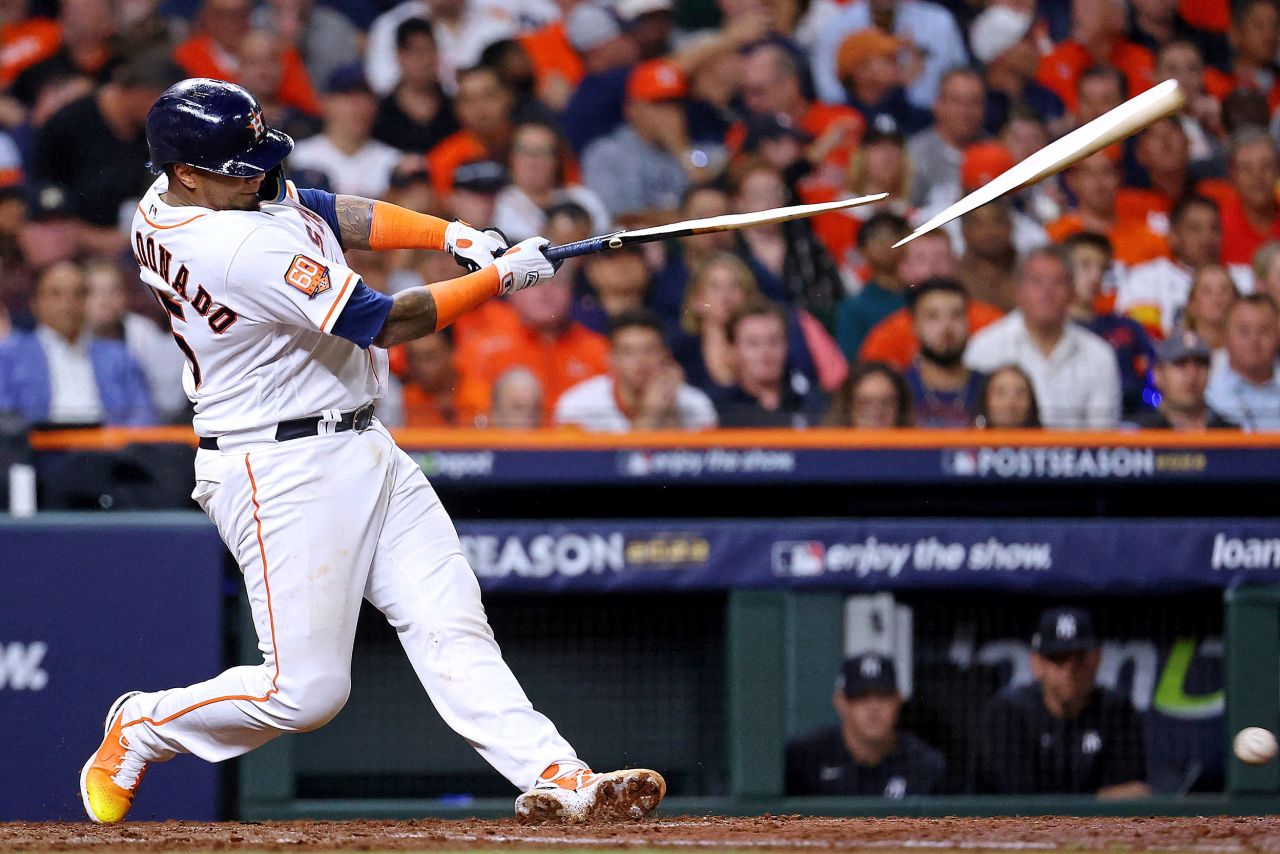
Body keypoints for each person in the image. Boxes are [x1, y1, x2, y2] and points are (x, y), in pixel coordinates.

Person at [78, 79, 664, 826]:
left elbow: (321, 208)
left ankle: (557, 774)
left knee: (450, 619)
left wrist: (447, 234)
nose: (258, 174)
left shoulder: (192, 194)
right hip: (279, 467)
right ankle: (144, 725)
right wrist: (499, 279)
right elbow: (380, 321)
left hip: (359, 439)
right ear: (188, 172)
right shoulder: (231, 247)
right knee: (306, 692)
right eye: (239, 167)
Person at [975, 606, 1150, 798]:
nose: (1069, 670)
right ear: (1037, 663)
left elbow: (1132, 794)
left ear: (1097, 658)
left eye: (1079, 658)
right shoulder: (1008, 712)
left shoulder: (1117, 711)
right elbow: (1018, 803)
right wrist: (1097, 799)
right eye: (1058, 658)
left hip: (1100, 829)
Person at [965, 247, 1122, 429]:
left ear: (1072, 292)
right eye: (1037, 282)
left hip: (1075, 457)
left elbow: (1102, 439)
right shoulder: (985, 347)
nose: (1047, 292)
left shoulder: (1099, 355)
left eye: (1057, 282)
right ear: (1018, 290)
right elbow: (975, 427)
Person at [0, 261, 155, 426]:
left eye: (77, 294)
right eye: (56, 294)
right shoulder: (10, 357)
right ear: (35, 303)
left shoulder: (119, 357)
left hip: (109, 446)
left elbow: (144, 416)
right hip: (39, 448)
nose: (68, 304)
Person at [786, 653, 945, 798]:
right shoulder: (805, 759)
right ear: (841, 702)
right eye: (861, 696)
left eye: (883, 696)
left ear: (898, 700)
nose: (873, 708)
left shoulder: (924, 764)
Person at [554, 310, 717, 432]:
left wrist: (669, 411)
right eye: (628, 352)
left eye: (650, 350)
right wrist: (651, 414)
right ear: (611, 359)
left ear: (666, 355)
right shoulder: (578, 405)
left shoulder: (696, 404)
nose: (641, 361)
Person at [581, 59, 690, 221]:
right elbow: (615, 220)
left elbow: (711, 210)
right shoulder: (606, 154)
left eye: (674, 103)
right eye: (658, 103)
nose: (670, 112)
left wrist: (682, 151)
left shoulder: (696, 153)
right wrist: (679, 219)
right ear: (632, 109)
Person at [84, 259, 188, 424]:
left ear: (125, 296)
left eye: (114, 291)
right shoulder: (74, 337)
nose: (105, 300)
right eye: (94, 292)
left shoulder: (143, 331)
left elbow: (169, 400)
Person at [1063, 232, 1155, 416]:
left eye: (1102, 268)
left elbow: (1154, 379)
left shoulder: (1126, 327)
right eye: (1085, 265)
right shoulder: (1051, 330)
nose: (1096, 276)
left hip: (1130, 423)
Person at [1117, 195, 1227, 336]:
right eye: (1195, 229)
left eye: (1214, 228)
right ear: (1173, 236)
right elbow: (1142, 339)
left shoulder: (1242, 280)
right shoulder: (1145, 279)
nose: (1207, 237)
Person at [288, 66, 402, 199]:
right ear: (325, 102)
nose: (357, 106)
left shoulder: (393, 161)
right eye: (348, 97)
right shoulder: (300, 156)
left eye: (365, 97)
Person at [712, 300, 823, 428]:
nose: (765, 352)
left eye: (773, 341)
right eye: (753, 343)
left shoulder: (812, 404)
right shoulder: (717, 411)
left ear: (786, 345)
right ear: (733, 350)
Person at [1045, 152, 1168, 268]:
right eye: (1089, 173)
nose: (1099, 183)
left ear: (1120, 177)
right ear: (1072, 180)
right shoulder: (1054, 237)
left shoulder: (1150, 241)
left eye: (1107, 172)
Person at [972, 4, 1064, 137]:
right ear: (1001, 53)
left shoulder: (1047, 98)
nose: (1036, 48)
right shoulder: (979, 105)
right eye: (1026, 40)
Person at [371, 17, 460, 154]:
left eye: (429, 50)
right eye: (415, 52)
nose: (425, 60)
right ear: (399, 56)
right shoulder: (379, 113)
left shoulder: (456, 110)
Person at [902, 278, 982, 428]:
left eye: (956, 315)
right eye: (933, 317)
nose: (946, 327)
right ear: (914, 325)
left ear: (968, 321)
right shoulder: (898, 390)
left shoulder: (991, 390)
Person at [907, 68, 987, 213]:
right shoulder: (914, 155)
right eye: (957, 101)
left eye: (974, 102)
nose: (966, 111)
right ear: (938, 104)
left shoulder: (994, 151)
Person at [833, 212, 910, 361]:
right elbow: (852, 363)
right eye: (875, 237)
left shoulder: (919, 299)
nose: (884, 242)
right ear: (861, 250)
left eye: (892, 235)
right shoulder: (852, 309)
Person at [1132, 332, 1238, 429]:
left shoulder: (1232, 435)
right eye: (1180, 363)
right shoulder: (1138, 435)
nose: (1192, 375)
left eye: (1200, 364)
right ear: (1157, 374)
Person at [1205, 294, 1280, 430]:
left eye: (1264, 331)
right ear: (1225, 336)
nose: (1254, 340)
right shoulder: (1206, 391)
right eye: (1244, 331)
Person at [1216, 128, 1280, 268]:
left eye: (1266, 166)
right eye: (1246, 168)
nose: (1257, 177)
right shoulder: (1217, 230)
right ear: (1232, 174)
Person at [824, 361, 912, 429]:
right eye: (865, 402)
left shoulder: (918, 449)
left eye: (886, 402)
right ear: (848, 406)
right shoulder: (825, 449)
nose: (877, 410)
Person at [1182, 263, 1240, 355]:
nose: (1217, 298)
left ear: (1236, 301)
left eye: (1224, 290)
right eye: (1207, 291)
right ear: (1192, 304)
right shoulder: (1177, 353)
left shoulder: (1248, 354)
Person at [975, 364, 1041, 428]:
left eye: (1020, 393)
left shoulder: (1049, 437)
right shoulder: (967, 435)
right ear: (986, 399)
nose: (1010, 402)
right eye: (1001, 392)